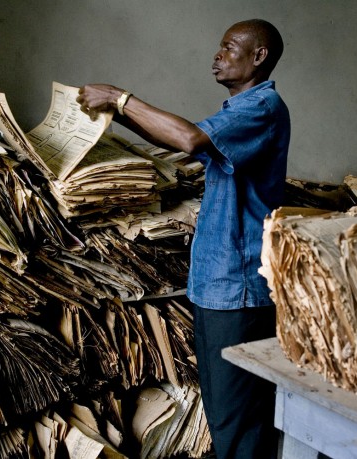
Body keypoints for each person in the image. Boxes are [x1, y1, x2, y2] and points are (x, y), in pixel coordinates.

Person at [76, 18, 290, 458]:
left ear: (259, 56)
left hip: (239, 287)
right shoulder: (236, 111)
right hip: (218, 285)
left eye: (229, 47)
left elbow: (189, 138)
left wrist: (121, 98)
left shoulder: (262, 107)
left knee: (238, 418)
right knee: (224, 410)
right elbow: (180, 140)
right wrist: (119, 113)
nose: (218, 55)